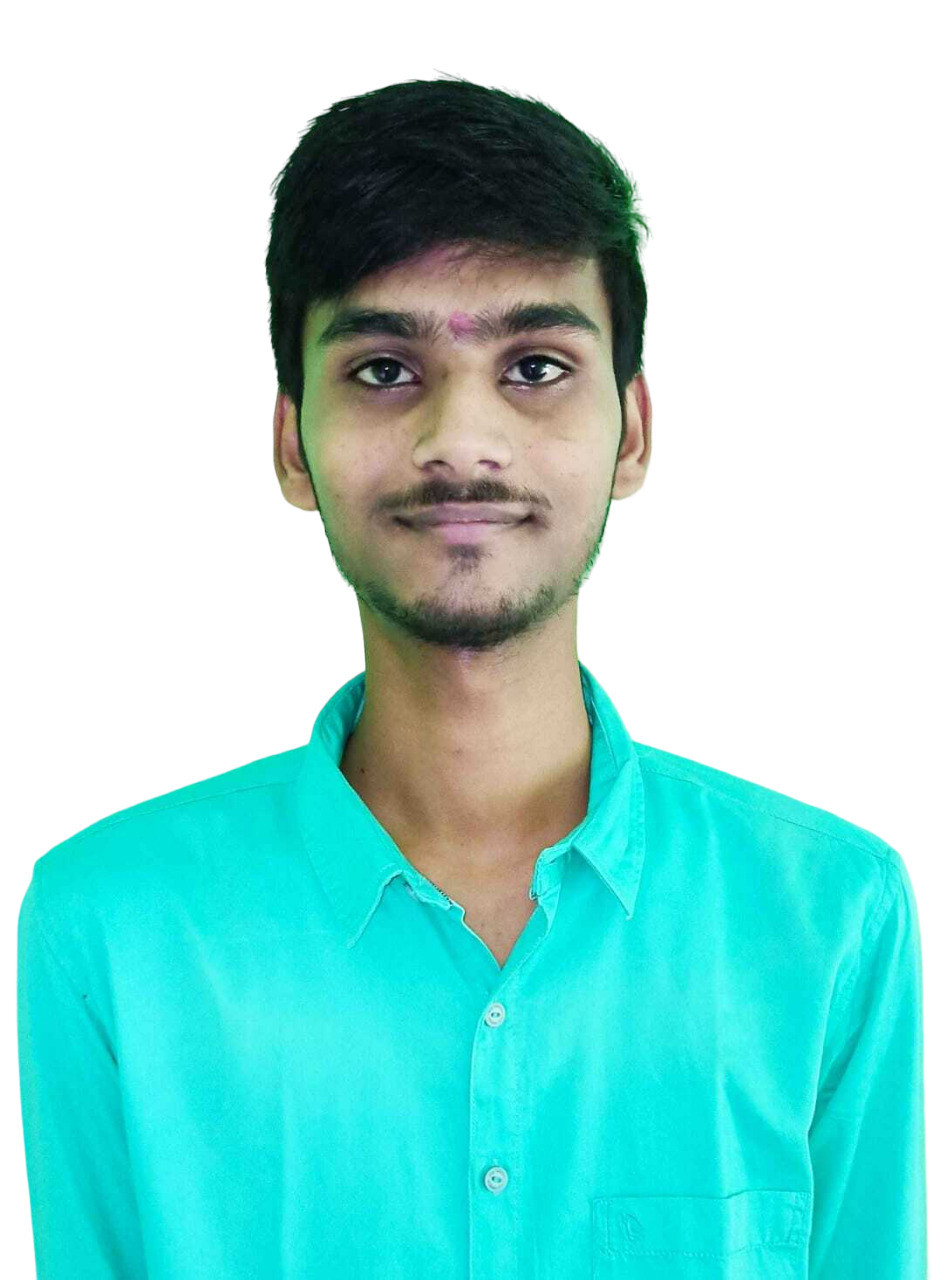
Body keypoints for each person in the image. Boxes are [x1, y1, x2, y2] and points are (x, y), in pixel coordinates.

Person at [17, 74, 925, 1278]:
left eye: (535, 366)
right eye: (383, 369)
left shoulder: (828, 917)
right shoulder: (111, 926)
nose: (460, 440)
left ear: (632, 429)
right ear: (292, 442)